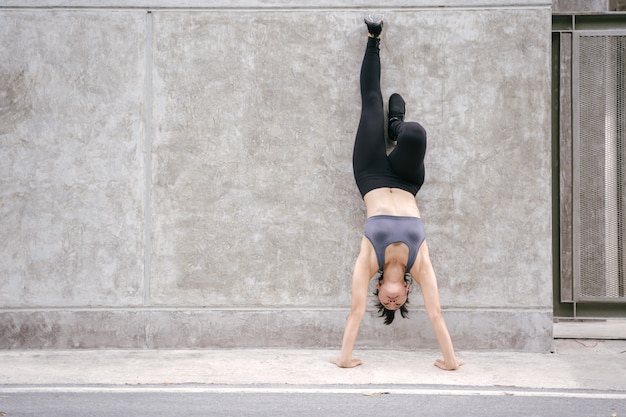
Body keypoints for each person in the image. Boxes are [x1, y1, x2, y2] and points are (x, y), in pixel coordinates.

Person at [331, 14, 463, 371]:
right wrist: (450, 361)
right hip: (407, 182)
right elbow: (435, 313)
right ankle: (398, 125)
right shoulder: (420, 264)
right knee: (416, 134)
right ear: (406, 292)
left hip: (370, 174)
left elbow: (355, 311)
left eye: (385, 304)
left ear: (378, 290)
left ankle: (373, 38)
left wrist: (345, 359)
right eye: (398, 303)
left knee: (372, 102)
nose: (391, 300)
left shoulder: (367, 262)